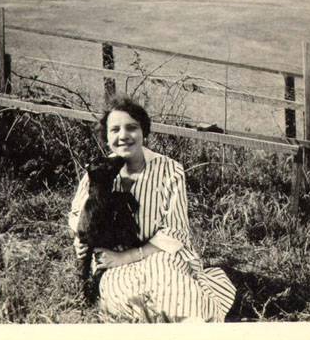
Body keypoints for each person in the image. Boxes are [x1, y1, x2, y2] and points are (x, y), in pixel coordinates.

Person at [68, 96, 236, 322]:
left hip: (160, 254)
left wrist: (127, 256)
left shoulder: (170, 170)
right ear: (106, 136)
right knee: (129, 299)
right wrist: (81, 240)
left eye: (131, 128)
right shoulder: (99, 171)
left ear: (144, 132)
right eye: (115, 130)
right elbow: (78, 215)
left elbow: (174, 231)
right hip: (111, 260)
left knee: (177, 296)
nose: (123, 136)